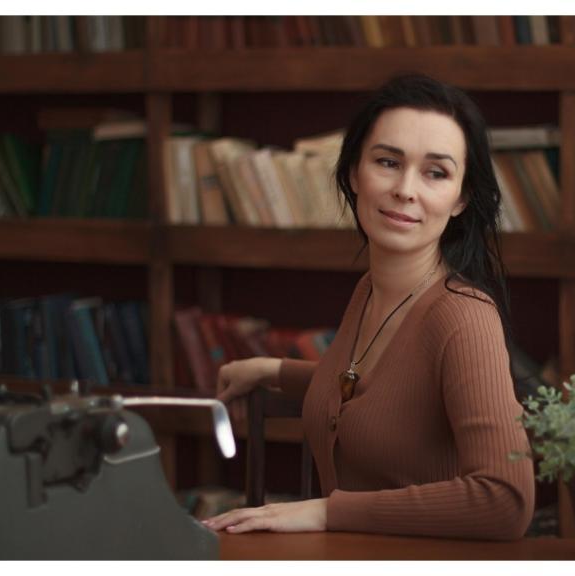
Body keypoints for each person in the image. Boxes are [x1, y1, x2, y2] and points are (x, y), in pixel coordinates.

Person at [203, 74, 535, 540]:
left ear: (461, 198)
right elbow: (381, 390)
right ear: (354, 173)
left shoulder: (464, 317)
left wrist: (326, 512)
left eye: (435, 172)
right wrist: (274, 370)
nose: (405, 189)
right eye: (388, 162)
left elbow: (506, 501)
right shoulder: (370, 290)